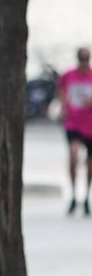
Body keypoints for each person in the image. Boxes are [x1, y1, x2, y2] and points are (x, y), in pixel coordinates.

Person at [61, 46, 92, 215]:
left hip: (90, 125)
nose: (84, 62)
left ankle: (86, 196)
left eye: (87, 59)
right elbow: (60, 89)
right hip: (73, 123)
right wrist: (62, 106)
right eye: (81, 59)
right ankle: (73, 195)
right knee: (73, 156)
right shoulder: (68, 75)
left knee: (89, 164)